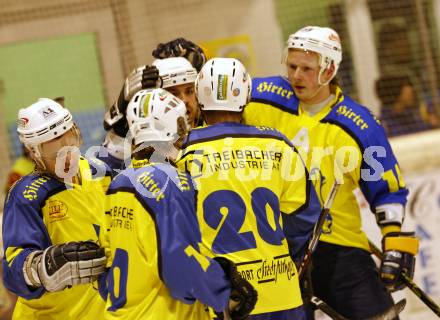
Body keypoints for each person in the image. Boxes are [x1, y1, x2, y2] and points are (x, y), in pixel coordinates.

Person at [243, 26, 419, 319]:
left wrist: (394, 242)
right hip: (274, 249)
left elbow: (387, 189)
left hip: (338, 248)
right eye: (293, 66)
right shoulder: (261, 97)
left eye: (307, 68)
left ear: (329, 70)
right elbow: (214, 103)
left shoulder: (358, 125)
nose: (297, 75)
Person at [176, 57, 321, 319]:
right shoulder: (278, 144)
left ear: (198, 97)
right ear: (245, 94)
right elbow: (305, 215)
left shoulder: (182, 153)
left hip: (223, 301)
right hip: (282, 294)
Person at [100, 88, 257, 319]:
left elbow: (110, 259)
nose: (185, 132)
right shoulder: (169, 180)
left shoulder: (120, 182)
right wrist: (222, 290)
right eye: (181, 124)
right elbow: (178, 262)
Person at [2, 98, 109, 319]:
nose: (66, 155)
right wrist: (43, 267)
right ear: (34, 152)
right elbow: (12, 270)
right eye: (53, 148)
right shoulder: (26, 195)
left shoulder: (98, 171)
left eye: (69, 139)